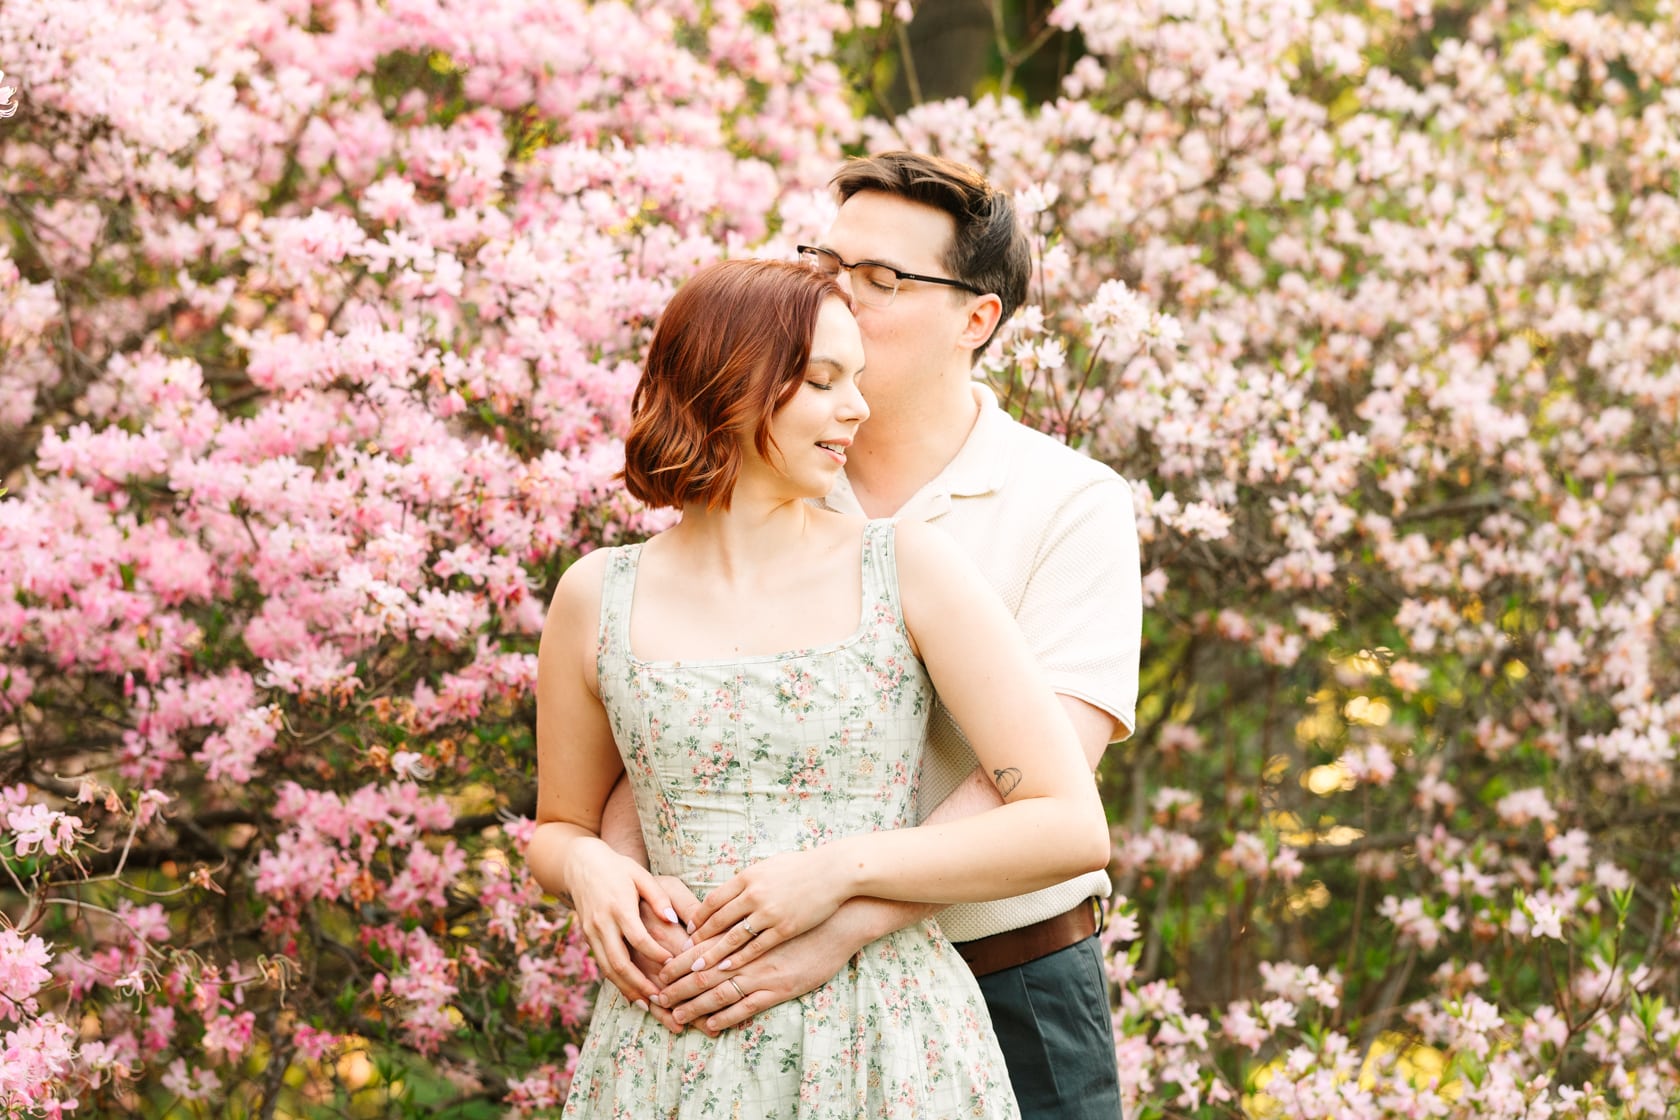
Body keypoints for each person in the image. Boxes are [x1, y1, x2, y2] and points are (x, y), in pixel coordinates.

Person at [525, 257, 1112, 1118]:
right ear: (730, 384)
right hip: (673, 1046)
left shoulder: (905, 565)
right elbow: (560, 826)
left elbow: (1070, 823)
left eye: (858, 380)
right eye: (824, 381)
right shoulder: (595, 596)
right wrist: (586, 869)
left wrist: (838, 873)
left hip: (886, 1038)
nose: (857, 408)